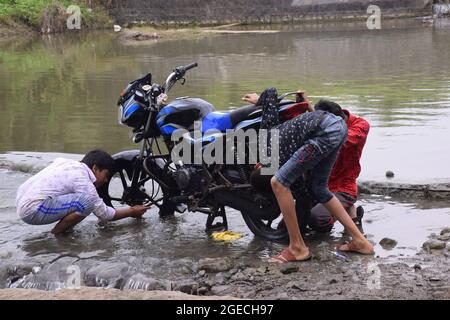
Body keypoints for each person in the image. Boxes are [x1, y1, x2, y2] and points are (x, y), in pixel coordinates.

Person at [243, 88, 374, 263]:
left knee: (278, 183)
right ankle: (361, 242)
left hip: (328, 135)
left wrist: (262, 99)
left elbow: (270, 92)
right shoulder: (287, 132)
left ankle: (297, 248)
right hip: (338, 129)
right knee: (319, 189)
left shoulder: (268, 138)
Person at [16, 149, 150, 236]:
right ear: (95, 168)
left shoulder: (66, 163)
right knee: (87, 202)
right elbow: (104, 214)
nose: (106, 180)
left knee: (81, 201)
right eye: (106, 175)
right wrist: (131, 211)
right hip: (32, 210)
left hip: (23, 200)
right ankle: (57, 233)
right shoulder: (81, 178)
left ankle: (64, 230)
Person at [298, 106, 370, 233]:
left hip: (343, 187)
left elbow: (344, 139)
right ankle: (352, 217)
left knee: (317, 220)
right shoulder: (329, 122)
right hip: (319, 185)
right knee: (296, 219)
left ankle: (346, 216)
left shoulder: (360, 125)